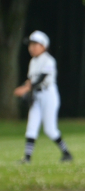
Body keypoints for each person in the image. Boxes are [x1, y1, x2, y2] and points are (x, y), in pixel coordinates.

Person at [13, 30, 73, 164]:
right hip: (36, 95)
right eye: (30, 44)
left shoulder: (49, 60)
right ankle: (27, 158)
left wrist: (25, 88)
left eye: (35, 44)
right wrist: (25, 87)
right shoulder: (33, 61)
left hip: (48, 95)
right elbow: (30, 80)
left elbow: (41, 78)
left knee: (50, 129)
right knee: (31, 126)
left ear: (44, 46)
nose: (32, 47)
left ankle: (67, 153)